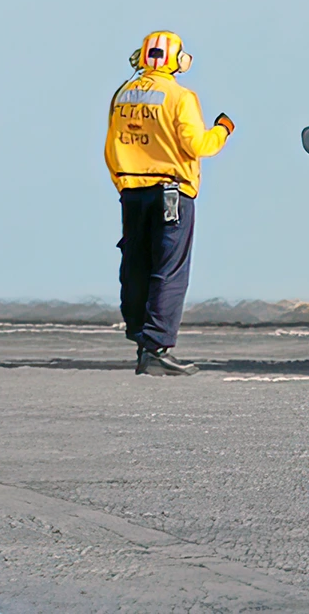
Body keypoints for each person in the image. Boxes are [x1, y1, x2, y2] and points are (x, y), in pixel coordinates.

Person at [104, 30, 232, 375]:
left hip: (131, 191)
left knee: (135, 263)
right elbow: (198, 146)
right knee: (168, 270)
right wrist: (222, 129)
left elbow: (111, 144)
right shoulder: (179, 96)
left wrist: (123, 184)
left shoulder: (122, 94)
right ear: (177, 60)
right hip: (171, 193)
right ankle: (156, 348)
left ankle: (138, 333)